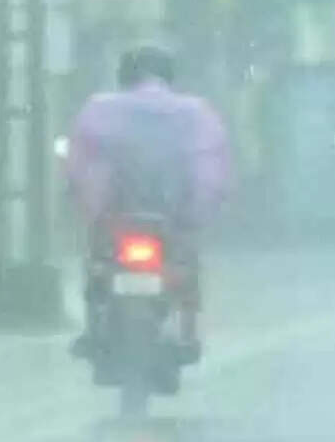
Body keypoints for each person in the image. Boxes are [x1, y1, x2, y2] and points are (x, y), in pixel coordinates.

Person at [65, 45, 231, 361]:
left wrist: (86, 203)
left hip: (113, 218)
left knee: (97, 265)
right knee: (187, 267)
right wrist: (199, 211)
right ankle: (188, 331)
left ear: (124, 76)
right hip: (175, 219)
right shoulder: (195, 112)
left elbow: (80, 165)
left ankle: (93, 329)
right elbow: (210, 170)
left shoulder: (100, 109)